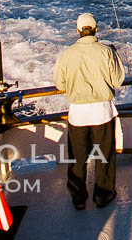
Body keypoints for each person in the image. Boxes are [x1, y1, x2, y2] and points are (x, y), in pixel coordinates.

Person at [53, 13, 126, 210]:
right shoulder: (106, 51)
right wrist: (114, 55)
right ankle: (103, 196)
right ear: (96, 29)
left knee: (77, 158)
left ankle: (78, 198)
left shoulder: (66, 54)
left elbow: (60, 84)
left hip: (78, 114)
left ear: (77, 31)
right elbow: (118, 81)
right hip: (102, 112)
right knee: (105, 156)